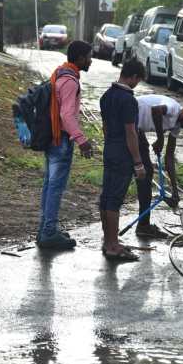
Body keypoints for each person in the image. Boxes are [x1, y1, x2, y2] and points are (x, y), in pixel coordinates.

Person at [37, 41, 93, 250]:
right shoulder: (70, 81)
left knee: (49, 186)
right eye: (88, 56)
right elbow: (67, 116)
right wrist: (82, 139)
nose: (90, 60)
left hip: (52, 138)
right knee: (55, 188)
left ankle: (45, 229)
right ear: (79, 58)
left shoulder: (60, 74)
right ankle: (49, 232)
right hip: (60, 141)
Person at [135, 94, 183, 239]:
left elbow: (169, 158)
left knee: (147, 173)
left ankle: (143, 225)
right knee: (145, 173)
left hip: (138, 129)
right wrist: (160, 139)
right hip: (129, 121)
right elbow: (156, 110)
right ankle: (143, 225)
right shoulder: (173, 108)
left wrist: (175, 191)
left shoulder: (177, 125)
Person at [100, 58, 146, 262]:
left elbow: (105, 128)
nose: (137, 84)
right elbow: (131, 133)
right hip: (122, 154)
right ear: (134, 77)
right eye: (138, 80)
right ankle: (113, 246)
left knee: (106, 196)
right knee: (115, 200)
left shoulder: (106, 96)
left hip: (109, 149)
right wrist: (138, 162)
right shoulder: (128, 100)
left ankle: (108, 240)